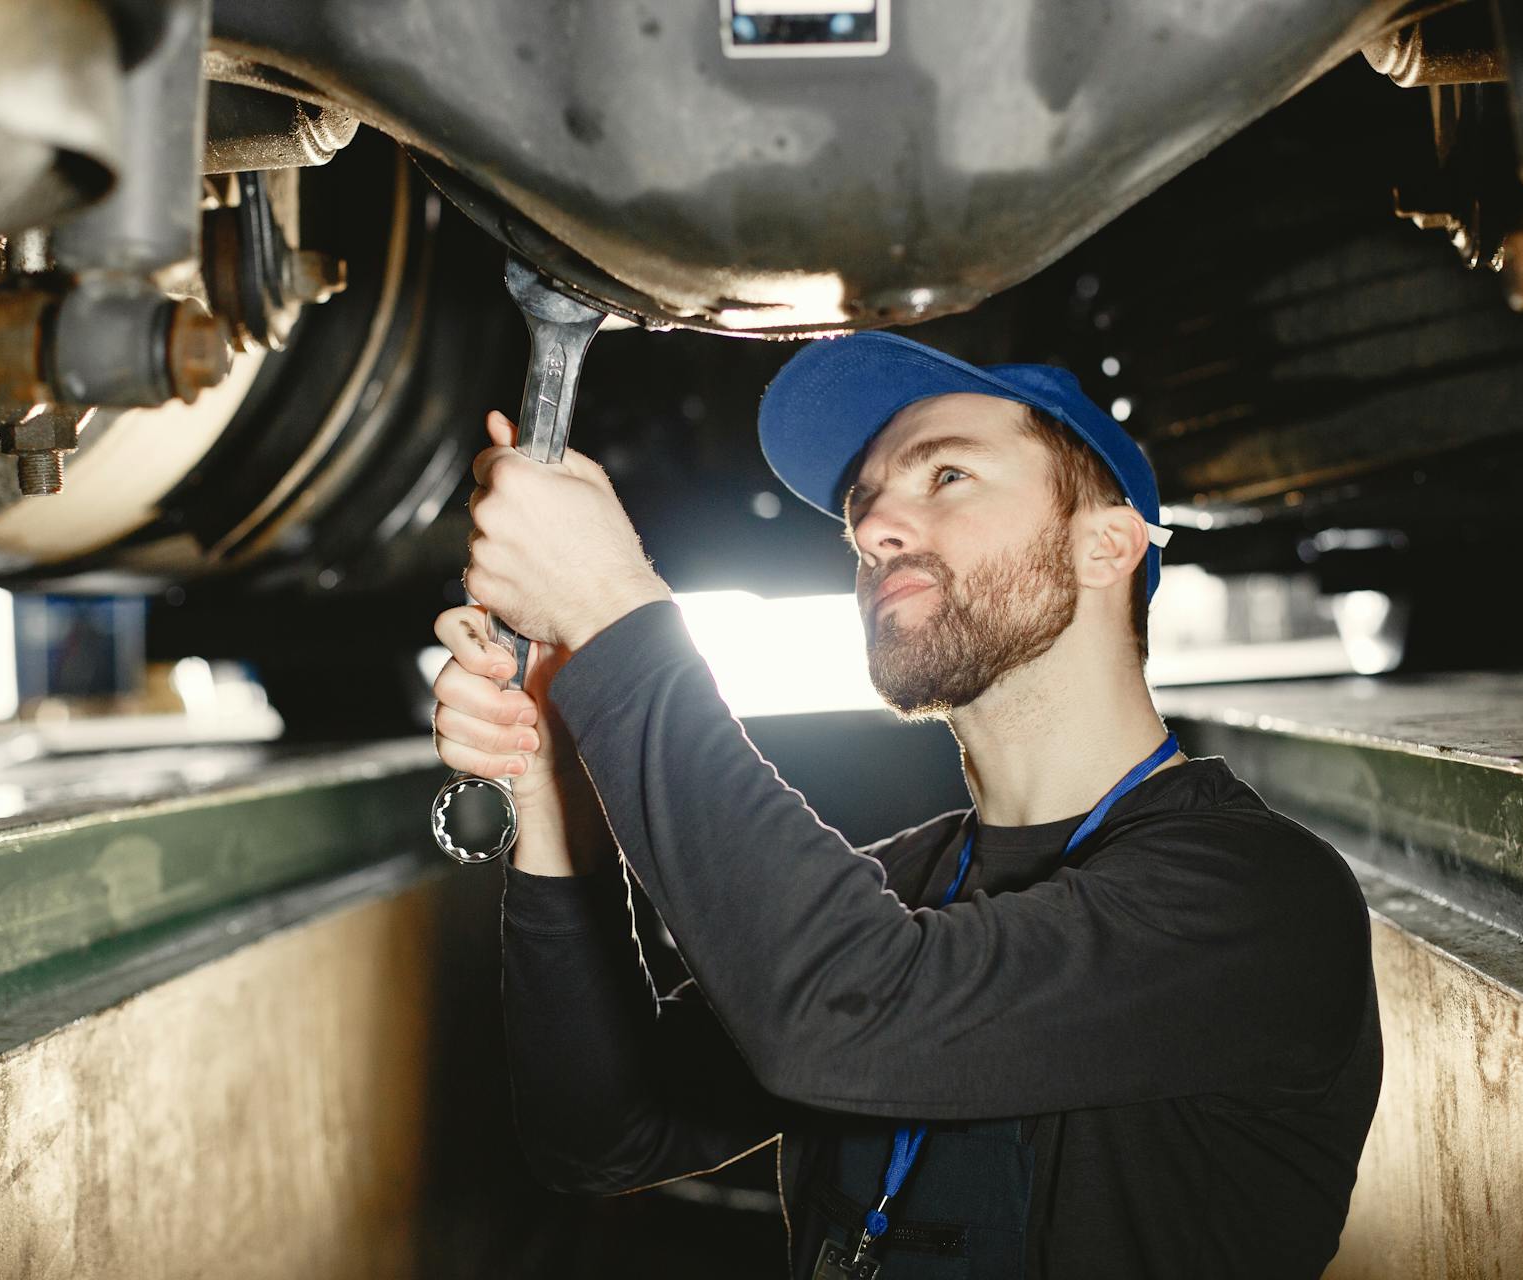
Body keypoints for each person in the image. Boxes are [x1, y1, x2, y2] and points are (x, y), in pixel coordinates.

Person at [430, 331, 1382, 1278]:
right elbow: (606, 1137)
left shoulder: (1258, 900)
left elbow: (844, 1015)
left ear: (1107, 544)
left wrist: (608, 606)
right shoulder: (905, 885)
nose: (875, 524)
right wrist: (557, 784)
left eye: (948, 477)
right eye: (863, 505)